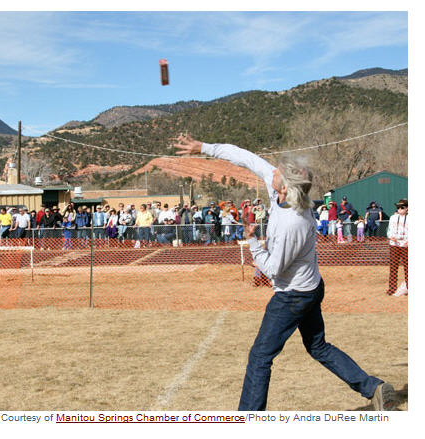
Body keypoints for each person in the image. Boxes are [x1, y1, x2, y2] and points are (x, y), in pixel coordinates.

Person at [174, 133, 396, 411]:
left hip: (294, 296)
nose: (273, 170)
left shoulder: (295, 223)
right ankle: (373, 388)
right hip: (310, 288)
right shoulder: (279, 187)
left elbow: (272, 269)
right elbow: (245, 157)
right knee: (318, 347)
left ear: (286, 188)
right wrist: (202, 147)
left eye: (281, 171)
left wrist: (252, 240)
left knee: (259, 357)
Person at [386, 199, 408, 296]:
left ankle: (408, 287)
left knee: (408, 267)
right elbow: (389, 230)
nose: (400, 209)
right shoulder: (393, 218)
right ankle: (392, 288)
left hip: (405, 244)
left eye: (402, 207)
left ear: (407, 208)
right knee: (393, 267)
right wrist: (391, 236)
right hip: (394, 244)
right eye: (398, 208)